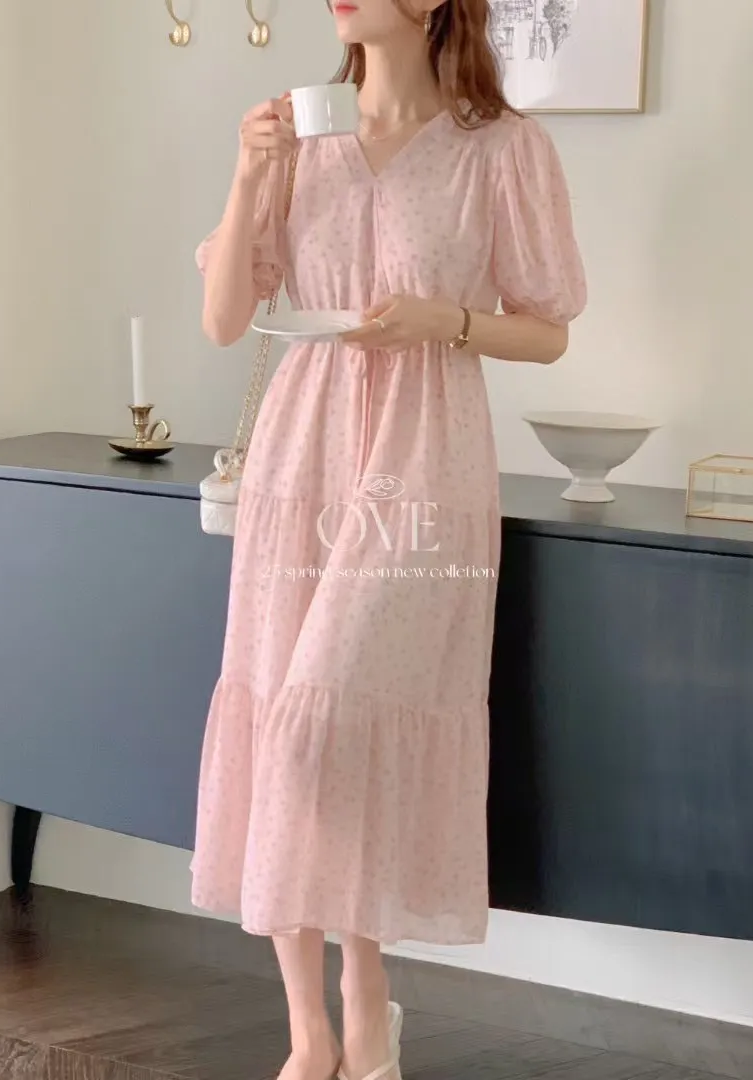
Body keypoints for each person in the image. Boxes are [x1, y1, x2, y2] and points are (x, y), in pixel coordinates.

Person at [191, 1, 586, 1078]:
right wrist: (248, 173)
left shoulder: (500, 148)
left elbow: (549, 326)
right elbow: (225, 319)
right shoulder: (294, 134)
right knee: (281, 724)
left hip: (424, 456)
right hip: (301, 451)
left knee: (331, 722)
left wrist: (443, 322)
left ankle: (367, 993)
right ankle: (314, 1033)